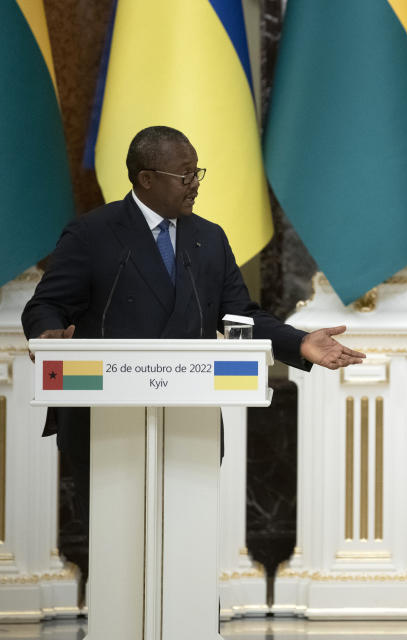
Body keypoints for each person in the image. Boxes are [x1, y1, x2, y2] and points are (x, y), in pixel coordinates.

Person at [22, 125, 365, 517]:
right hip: (105, 423)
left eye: (197, 173)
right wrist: (47, 335)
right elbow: (46, 305)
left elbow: (240, 316)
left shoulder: (209, 238)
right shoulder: (93, 233)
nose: (195, 184)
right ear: (146, 179)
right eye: (185, 176)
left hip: (190, 421)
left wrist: (299, 343)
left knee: (187, 540)